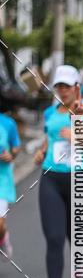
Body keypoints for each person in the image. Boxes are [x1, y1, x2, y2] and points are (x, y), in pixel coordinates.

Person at [34, 65, 83, 278]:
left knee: (77, 239)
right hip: (51, 178)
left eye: (67, 86)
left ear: (77, 87)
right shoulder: (49, 113)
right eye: (58, 86)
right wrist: (41, 151)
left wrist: (78, 134)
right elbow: (48, 139)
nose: (62, 91)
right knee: (54, 238)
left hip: (80, 180)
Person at [0, 110, 21, 261]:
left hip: (2, 179)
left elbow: (16, 146)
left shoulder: (7, 123)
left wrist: (11, 155)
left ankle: (3, 237)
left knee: (0, 223)